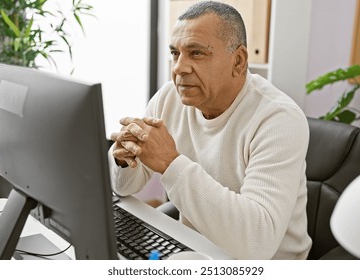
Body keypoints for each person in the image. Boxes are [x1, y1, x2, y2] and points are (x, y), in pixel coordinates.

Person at [109, 1, 311, 260]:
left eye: (196, 53)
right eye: (175, 53)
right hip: (196, 251)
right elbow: (125, 188)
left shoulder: (279, 119)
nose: (179, 67)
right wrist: (123, 160)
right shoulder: (169, 98)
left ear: (238, 61)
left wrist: (171, 164)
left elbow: (257, 244)